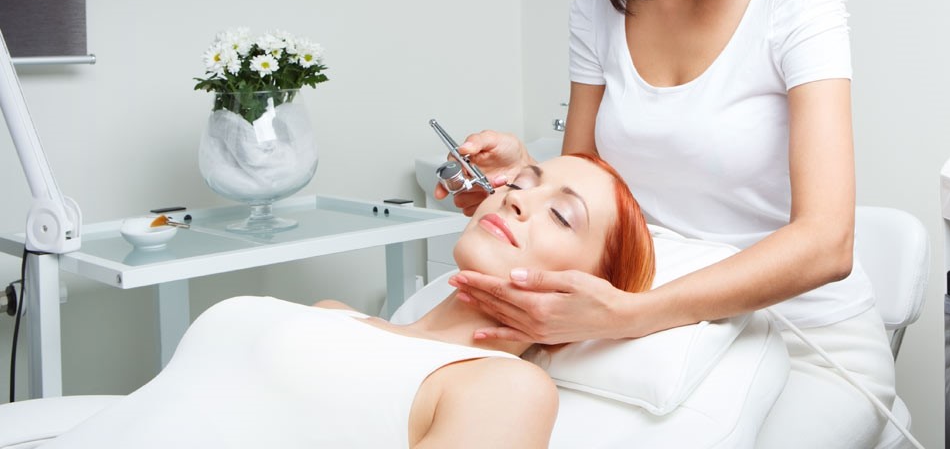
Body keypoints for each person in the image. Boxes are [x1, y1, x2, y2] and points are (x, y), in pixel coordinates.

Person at [437, 0, 897, 448]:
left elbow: (826, 243)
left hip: (803, 340)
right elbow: (589, 177)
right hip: (658, 330)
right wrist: (525, 176)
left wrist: (630, 316)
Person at [44, 154, 655, 449]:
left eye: (562, 215)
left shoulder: (503, 387)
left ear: (591, 291)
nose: (516, 198)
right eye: (521, 182)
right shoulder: (334, 314)